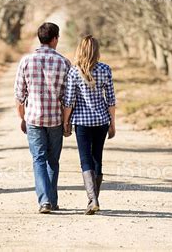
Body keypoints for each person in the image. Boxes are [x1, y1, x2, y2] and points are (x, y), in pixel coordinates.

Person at [14, 22, 70, 214]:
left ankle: (45, 201)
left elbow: (19, 95)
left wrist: (22, 118)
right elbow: (67, 97)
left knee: (38, 159)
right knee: (52, 161)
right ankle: (51, 201)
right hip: (55, 119)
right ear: (54, 39)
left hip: (33, 119)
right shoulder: (63, 62)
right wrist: (66, 121)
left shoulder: (26, 61)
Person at [63, 35, 116, 215]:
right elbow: (111, 99)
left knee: (85, 160)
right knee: (97, 158)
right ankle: (94, 200)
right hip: (101, 121)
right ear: (96, 50)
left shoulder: (74, 71)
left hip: (82, 123)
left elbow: (69, 100)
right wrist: (113, 124)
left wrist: (65, 122)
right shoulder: (105, 69)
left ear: (80, 50)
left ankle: (93, 200)